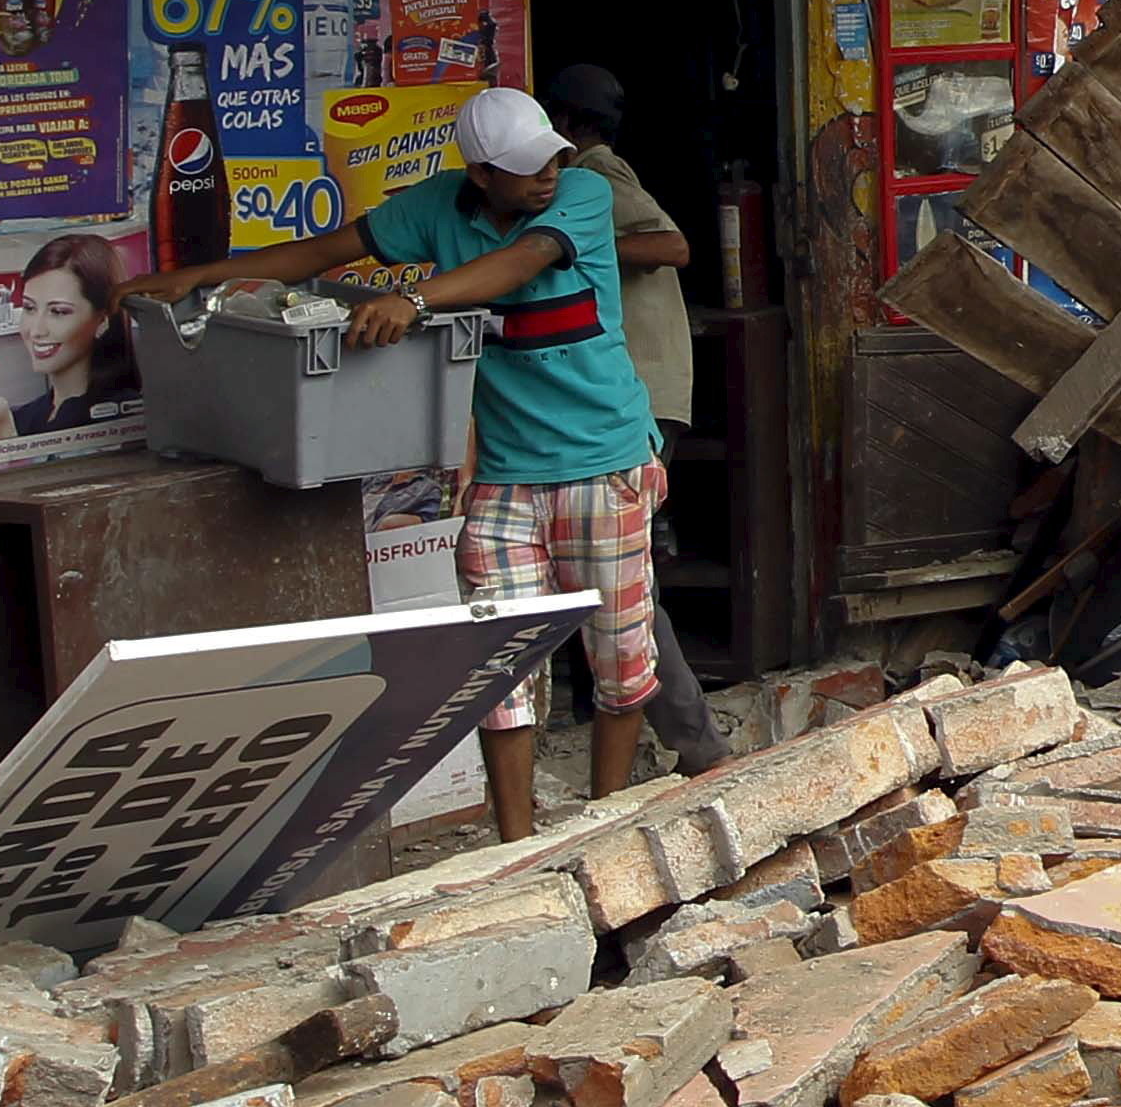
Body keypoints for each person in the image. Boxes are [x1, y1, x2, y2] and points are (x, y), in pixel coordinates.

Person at [115, 86, 664, 839]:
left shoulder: (582, 195)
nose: (548, 172)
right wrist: (203, 277)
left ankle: (608, 826)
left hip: (605, 461)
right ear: (480, 174)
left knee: (618, 663)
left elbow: (520, 263)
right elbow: (326, 252)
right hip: (505, 473)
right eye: (526, 166)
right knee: (494, 669)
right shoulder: (438, 205)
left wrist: (417, 300)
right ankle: (514, 846)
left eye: (553, 157)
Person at [541, 63, 726, 775]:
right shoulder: (590, 174)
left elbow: (671, 245)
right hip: (624, 399)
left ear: (566, 124)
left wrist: (570, 247)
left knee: (624, 582)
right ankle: (643, 720)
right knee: (615, 577)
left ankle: (697, 742)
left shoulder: (597, 175)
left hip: (633, 402)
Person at [9, 233, 141, 433]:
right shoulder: (22, 418)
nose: (36, 330)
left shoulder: (123, 415)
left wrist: (8, 442)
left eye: (58, 312)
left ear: (103, 320)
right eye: (29, 308)